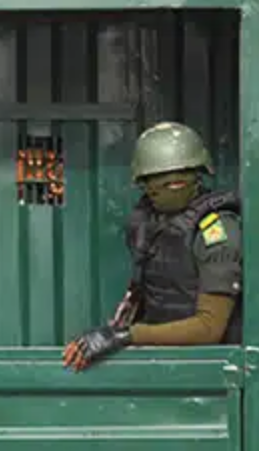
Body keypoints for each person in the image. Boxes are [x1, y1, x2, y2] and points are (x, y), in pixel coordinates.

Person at [63, 121, 242, 372]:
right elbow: (142, 292)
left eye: (178, 180)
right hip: (160, 364)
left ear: (197, 176)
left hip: (208, 370)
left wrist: (126, 336)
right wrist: (109, 335)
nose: (167, 188)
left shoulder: (216, 231)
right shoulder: (148, 222)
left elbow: (209, 328)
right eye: (156, 182)